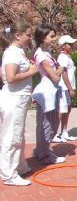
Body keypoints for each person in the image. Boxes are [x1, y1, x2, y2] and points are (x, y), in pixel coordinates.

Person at [0, 22, 38, 186]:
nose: (30, 38)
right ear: (18, 35)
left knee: (19, 134)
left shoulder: (18, 52)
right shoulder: (12, 54)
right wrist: (31, 71)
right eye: (28, 35)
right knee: (12, 137)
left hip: (20, 99)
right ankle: (9, 174)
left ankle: (20, 166)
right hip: (13, 100)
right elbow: (10, 77)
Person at [32, 24, 66, 165]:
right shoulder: (40, 55)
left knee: (52, 122)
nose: (54, 38)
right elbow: (56, 76)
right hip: (46, 93)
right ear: (43, 38)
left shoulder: (48, 53)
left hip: (52, 92)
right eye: (51, 36)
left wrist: (59, 69)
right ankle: (44, 154)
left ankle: (41, 149)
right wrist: (59, 70)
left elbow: (59, 68)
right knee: (47, 124)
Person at [53, 35, 77, 142]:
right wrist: (70, 89)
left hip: (68, 88)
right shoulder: (62, 57)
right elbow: (63, 73)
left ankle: (64, 132)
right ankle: (55, 134)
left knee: (67, 110)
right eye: (69, 44)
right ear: (63, 46)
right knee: (62, 111)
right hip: (64, 88)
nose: (72, 45)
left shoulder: (67, 57)